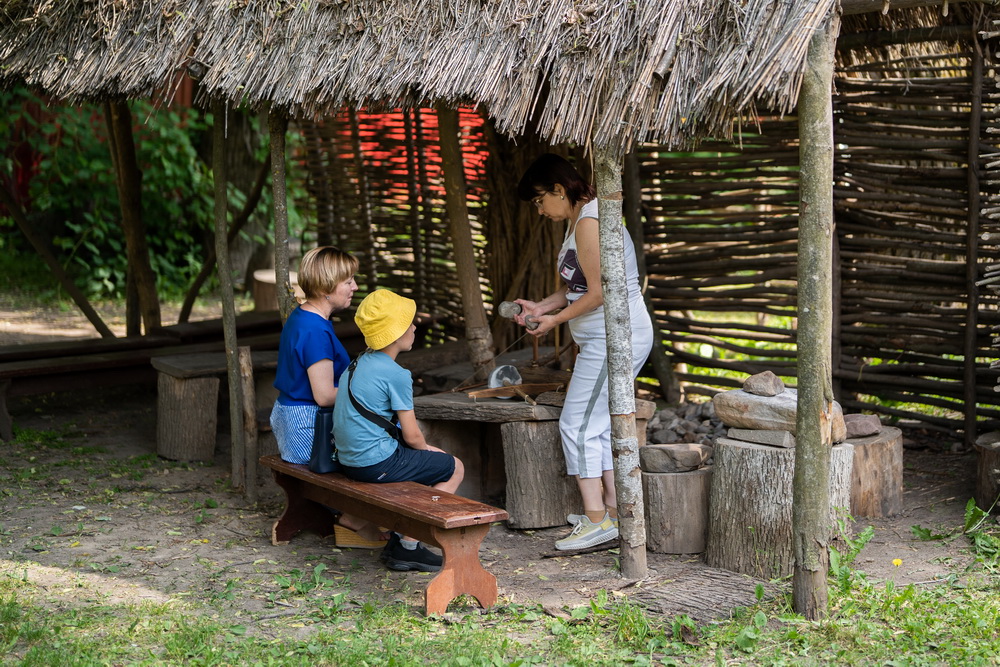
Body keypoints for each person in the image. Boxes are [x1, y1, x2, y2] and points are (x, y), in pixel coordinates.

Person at [513, 153, 653, 551]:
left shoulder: (590, 222)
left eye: (540, 200)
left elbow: (599, 293)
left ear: (559, 190)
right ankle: (608, 510)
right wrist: (542, 307)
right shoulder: (580, 218)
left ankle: (596, 521)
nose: (540, 210)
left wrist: (555, 322)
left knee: (576, 424)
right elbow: (579, 283)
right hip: (600, 338)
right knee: (595, 423)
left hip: (615, 339)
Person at [333, 289, 465, 572]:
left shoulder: (357, 363)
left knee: (425, 465)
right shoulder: (397, 374)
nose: (415, 326)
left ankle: (395, 535)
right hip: (374, 463)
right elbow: (412, 435)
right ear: (395, 333)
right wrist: (429, 449)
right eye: (409, 323)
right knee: (453, 467)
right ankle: (409, 547)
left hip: (349, 460)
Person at [269, 245, 382, 542]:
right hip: (308, 428)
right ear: (326, 287)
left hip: (292, 418)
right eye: (348, 281)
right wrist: (368, 396)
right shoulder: (315, 330)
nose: (354, 287)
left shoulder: (304, 317)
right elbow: (323, 396)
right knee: (380, 454)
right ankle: (354, 518)